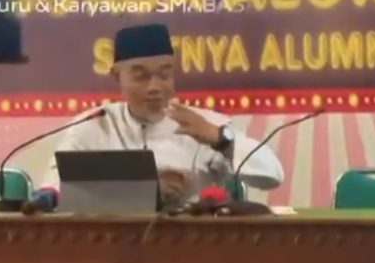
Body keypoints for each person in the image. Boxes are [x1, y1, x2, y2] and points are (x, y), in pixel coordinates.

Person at [40, 22, 283, 206]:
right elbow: (53, 188)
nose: (154, 87)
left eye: (164, 74)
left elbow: (272, 175)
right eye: (141, 77)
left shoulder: (204, 124)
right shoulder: (94, 125)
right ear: (117, 77)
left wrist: (219, 138)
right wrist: (145, 190)